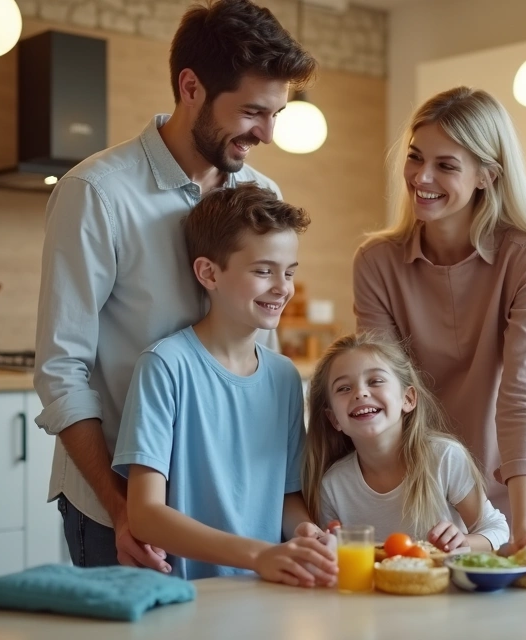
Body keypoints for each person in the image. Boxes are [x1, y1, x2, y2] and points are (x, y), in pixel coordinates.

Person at [33, 0, 316, 572]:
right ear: (191, 87)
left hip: (232, 507)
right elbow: (62, 372)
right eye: (252, 112)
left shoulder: (260, 188)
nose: (265, 133)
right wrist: (122, 511)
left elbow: (260, 349)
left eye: (276, 115)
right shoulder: (99, 193)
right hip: (118, 506)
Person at [352, 87, 526, 565]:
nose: (421, 177)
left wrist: (525, 532)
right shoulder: (377, 262)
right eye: (415, 158)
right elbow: (382, 389)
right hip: (438, 483)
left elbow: (521, 389)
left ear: (488, 175)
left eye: (446, 165)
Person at [110, 184, 335, 586]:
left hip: (266, 588)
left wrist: (306, 533)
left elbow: (285, 495)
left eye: (289, 272)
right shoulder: (166, 366)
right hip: (190, 595)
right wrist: (260, 555)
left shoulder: (284, 377)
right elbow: (144, 514)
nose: (282, 287)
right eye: (263, 271)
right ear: (208, 272)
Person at [300, 332, 510, 554]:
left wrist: (465, 542)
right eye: (344, 388)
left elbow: (497, 529)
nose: (360, 393)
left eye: (375, 381)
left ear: (408, 399)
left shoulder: (444, 458)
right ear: (334, 419)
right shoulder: (333, 486)